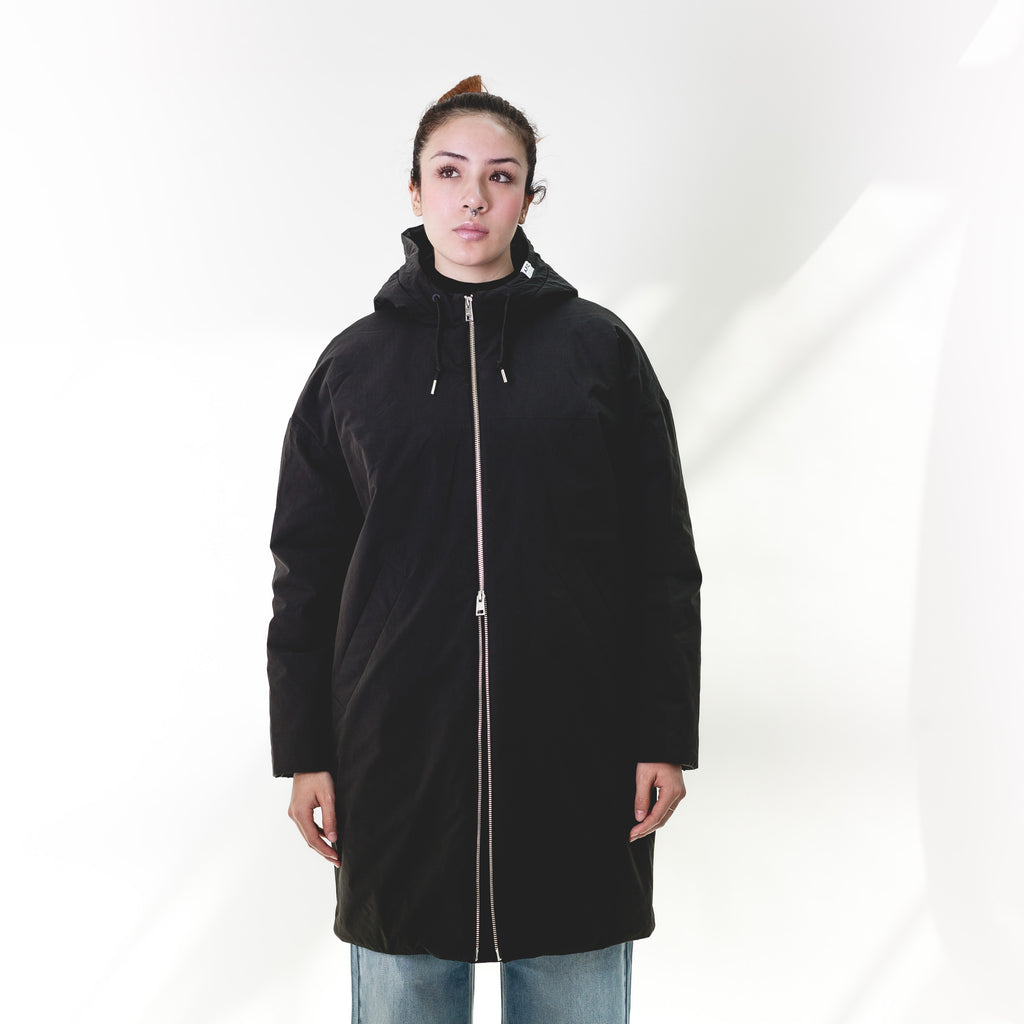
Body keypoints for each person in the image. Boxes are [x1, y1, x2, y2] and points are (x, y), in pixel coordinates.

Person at [267, 76, 701, 1024]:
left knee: (575, 982)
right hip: (395, 753)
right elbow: (305, 573)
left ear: (529, 199)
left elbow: (663, 561)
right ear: (414, 191)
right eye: (450, 172)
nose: (474, 197)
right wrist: (304, 751)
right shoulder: (353, 366)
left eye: (501, 176)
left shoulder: (600, 351)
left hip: (577, 747)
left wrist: (664, 736)